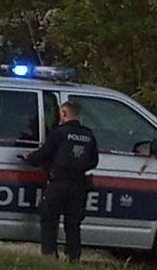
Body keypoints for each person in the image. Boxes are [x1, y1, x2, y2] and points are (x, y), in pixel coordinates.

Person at [25, 98, 102, 260]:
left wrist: (29, 157)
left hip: (58, 184)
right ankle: (73, 258)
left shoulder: (59, 133)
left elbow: (44, 153)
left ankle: (50, 255)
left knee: (49, 220)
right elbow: (93, 161)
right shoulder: (88, 135)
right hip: (79, 185)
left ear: (64, 113)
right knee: (73, 225)